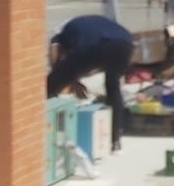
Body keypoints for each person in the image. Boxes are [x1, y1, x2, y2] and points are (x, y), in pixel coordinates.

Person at [46, 15, 135, 152]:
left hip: (95, 45)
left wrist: (66, 79)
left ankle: (43, 128)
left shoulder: (60, 34)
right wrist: (72, 78)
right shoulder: (88, 22)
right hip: (125, 45)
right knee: (113, 88)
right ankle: (115, 139)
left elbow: (55, 55)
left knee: (50, 84)